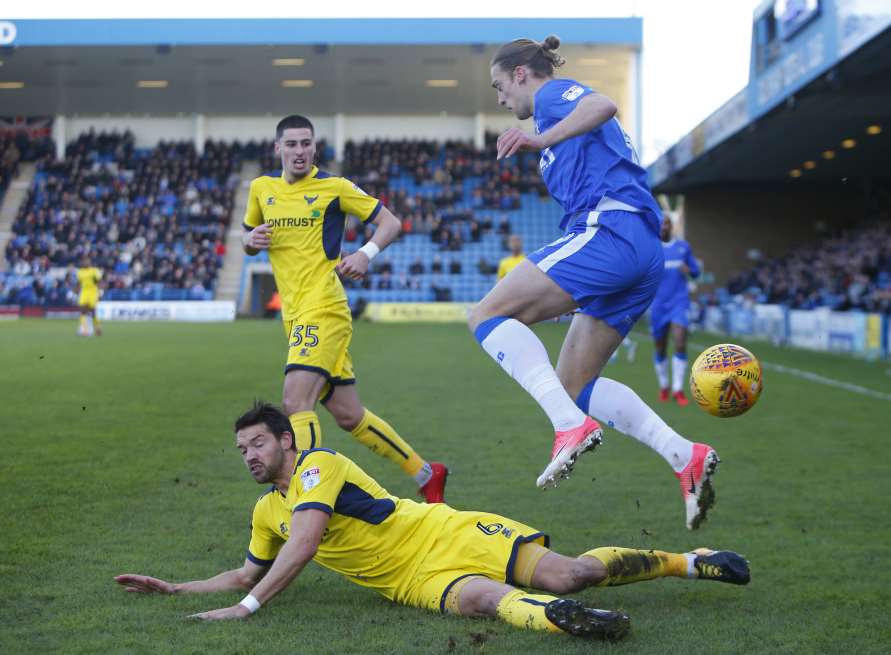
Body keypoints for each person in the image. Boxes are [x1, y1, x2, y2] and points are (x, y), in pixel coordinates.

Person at [115, 402, 751, 640]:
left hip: (441, 531)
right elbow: (242, 572)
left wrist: (245, 612)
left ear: (285, 440)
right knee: (483, 601)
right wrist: (178, 589)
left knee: (571, 572)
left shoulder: (319, 466)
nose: (250, 457)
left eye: (257, 444)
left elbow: (305, 545)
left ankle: (690, 563)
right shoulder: (264, 512)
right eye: (242, 451)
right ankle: (571, 625)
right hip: (411, 583)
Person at [469, 35, 718, 529]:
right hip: (635, 250)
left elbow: (604, 103)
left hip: (612, 231)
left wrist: (542, 138)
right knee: (573, 383)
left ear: (522, 73)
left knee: (485, 315)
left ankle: (567, 427)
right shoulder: (552, 117)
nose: (500, 98)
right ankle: (684, 456)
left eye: (500, 86)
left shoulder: (550, 97)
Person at [242, 115, 447, 502]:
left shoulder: (334, 187)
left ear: (315, 147)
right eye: (292, 144)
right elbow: (249, 239)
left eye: (306, 144)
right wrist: (249, 239)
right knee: (349, 414)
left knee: (295, 401)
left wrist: (366, 254)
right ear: (277, 148)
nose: (299, 152)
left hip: (324, 307)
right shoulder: (260, 189)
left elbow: (390, 222)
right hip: (294, 313)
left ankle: (304, 497)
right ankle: (425, 473)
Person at [651, 215, 701, 405]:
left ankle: (678, 389)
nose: (664, 226)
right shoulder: (653, 249)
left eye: (667, 223)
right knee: (660, 347)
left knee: (680, 343)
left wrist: (689, 270)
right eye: (661, 223)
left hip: (679, 303)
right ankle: (664, 385)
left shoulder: (683, 247)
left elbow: (696, 272)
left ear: (671, 226)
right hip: (658, 305)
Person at [75, 256, 103, 337]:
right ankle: (85, 330)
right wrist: (75, 292)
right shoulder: (80, 272)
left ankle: (98, 328)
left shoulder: (94, 271)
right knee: (82, 310)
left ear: (90, 262)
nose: (85, 263)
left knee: (92, 311)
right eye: (84, 261)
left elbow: (99, 281)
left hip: (93, 292)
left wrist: (101, 292)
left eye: (87, 261)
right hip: (84, 292)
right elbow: (79, 283)